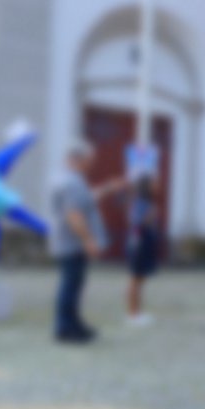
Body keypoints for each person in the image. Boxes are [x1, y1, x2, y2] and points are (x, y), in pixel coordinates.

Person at [48, 141, 118, 343]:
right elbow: (74, 214)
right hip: (73, 242)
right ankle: (65, 327)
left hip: (66, 240)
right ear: (77, 159)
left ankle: (73, 323)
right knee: (71, 285)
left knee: (73, 284)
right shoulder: (73, 183)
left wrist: (106, 189)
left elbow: (84, 200)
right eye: (89, 159)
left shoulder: (64, 179)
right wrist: (88, 240)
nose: (92, 163)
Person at [124, 172, 160, 326]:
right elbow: (137, 222)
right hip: (138, 242)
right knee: (135, 278)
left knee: (140, 279)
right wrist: (150, 215)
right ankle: (132, 314)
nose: (157, 186)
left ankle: (137, 312)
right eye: (153, 183)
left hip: (144, 241)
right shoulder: (139, 201)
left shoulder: (145, 201)